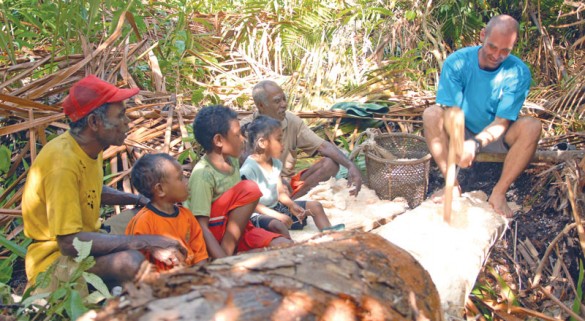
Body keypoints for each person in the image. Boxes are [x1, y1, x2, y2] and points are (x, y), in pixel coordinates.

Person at [22, 75, 187, 290]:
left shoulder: (90, 148)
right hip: (55, 259)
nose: (127, 122)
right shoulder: (62, 164)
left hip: (90, 236)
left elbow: (91, 190)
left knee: (154, 215)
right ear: (94, 122)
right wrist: (146, 241)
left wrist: (137, 199)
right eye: (120, 116)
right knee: (131, 262)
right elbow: (68, 243)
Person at [422, 14, 541, 218]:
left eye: (505, 51)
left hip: (498, 135)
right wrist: (460, 144)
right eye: (492, 47)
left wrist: (475, 144)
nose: (497, 55)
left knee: (532, 126)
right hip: (461, 130)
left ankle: (499, 193)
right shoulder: (458, 62)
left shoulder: (518, 72)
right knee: (431, 114)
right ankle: (452, 185)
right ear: (482, 35)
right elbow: (452, 113)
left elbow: (501, 122)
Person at [185, 105, 292, 259]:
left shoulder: (233, 161)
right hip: (216, 238)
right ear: (219, 140)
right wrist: (222, 259)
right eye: (237, 135)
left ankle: (238, 254)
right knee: (249, 188)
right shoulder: (203, 174)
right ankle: (228, 255)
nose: (242, 139)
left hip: (240, 230)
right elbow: (201, 226)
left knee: (285, 245)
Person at [242, 80, 363, 198]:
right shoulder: (245, 128)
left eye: (284, 99)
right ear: (261, 106)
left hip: (287, 185)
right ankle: (282, 205)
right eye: (277, 101)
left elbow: (323, 146)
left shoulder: (292, 121)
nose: (284, 104)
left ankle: (291, 202)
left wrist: (350, 166)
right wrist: (275, 181)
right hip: (261, 186)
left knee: (330, 164)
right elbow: (246, 168)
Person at [240, 115, 344, 233]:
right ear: (263, 143)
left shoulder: (275, 163)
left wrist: (291, 205)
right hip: (257, 213)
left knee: (316, 206)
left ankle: (328, 232)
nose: (283, 144)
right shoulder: (248, 170)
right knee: (278, 224)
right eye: (279, 140)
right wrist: (278, 216)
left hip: (275, 207)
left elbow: (280, 194)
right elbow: (253, 205)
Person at [126, 153, 208, 272]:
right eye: (180, 178)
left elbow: (200, 255)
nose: (186, 181)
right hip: (161, 285)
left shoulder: (187, 216)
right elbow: (137, 265)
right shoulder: (144, 222)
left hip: (191, 279)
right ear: (160, 189)